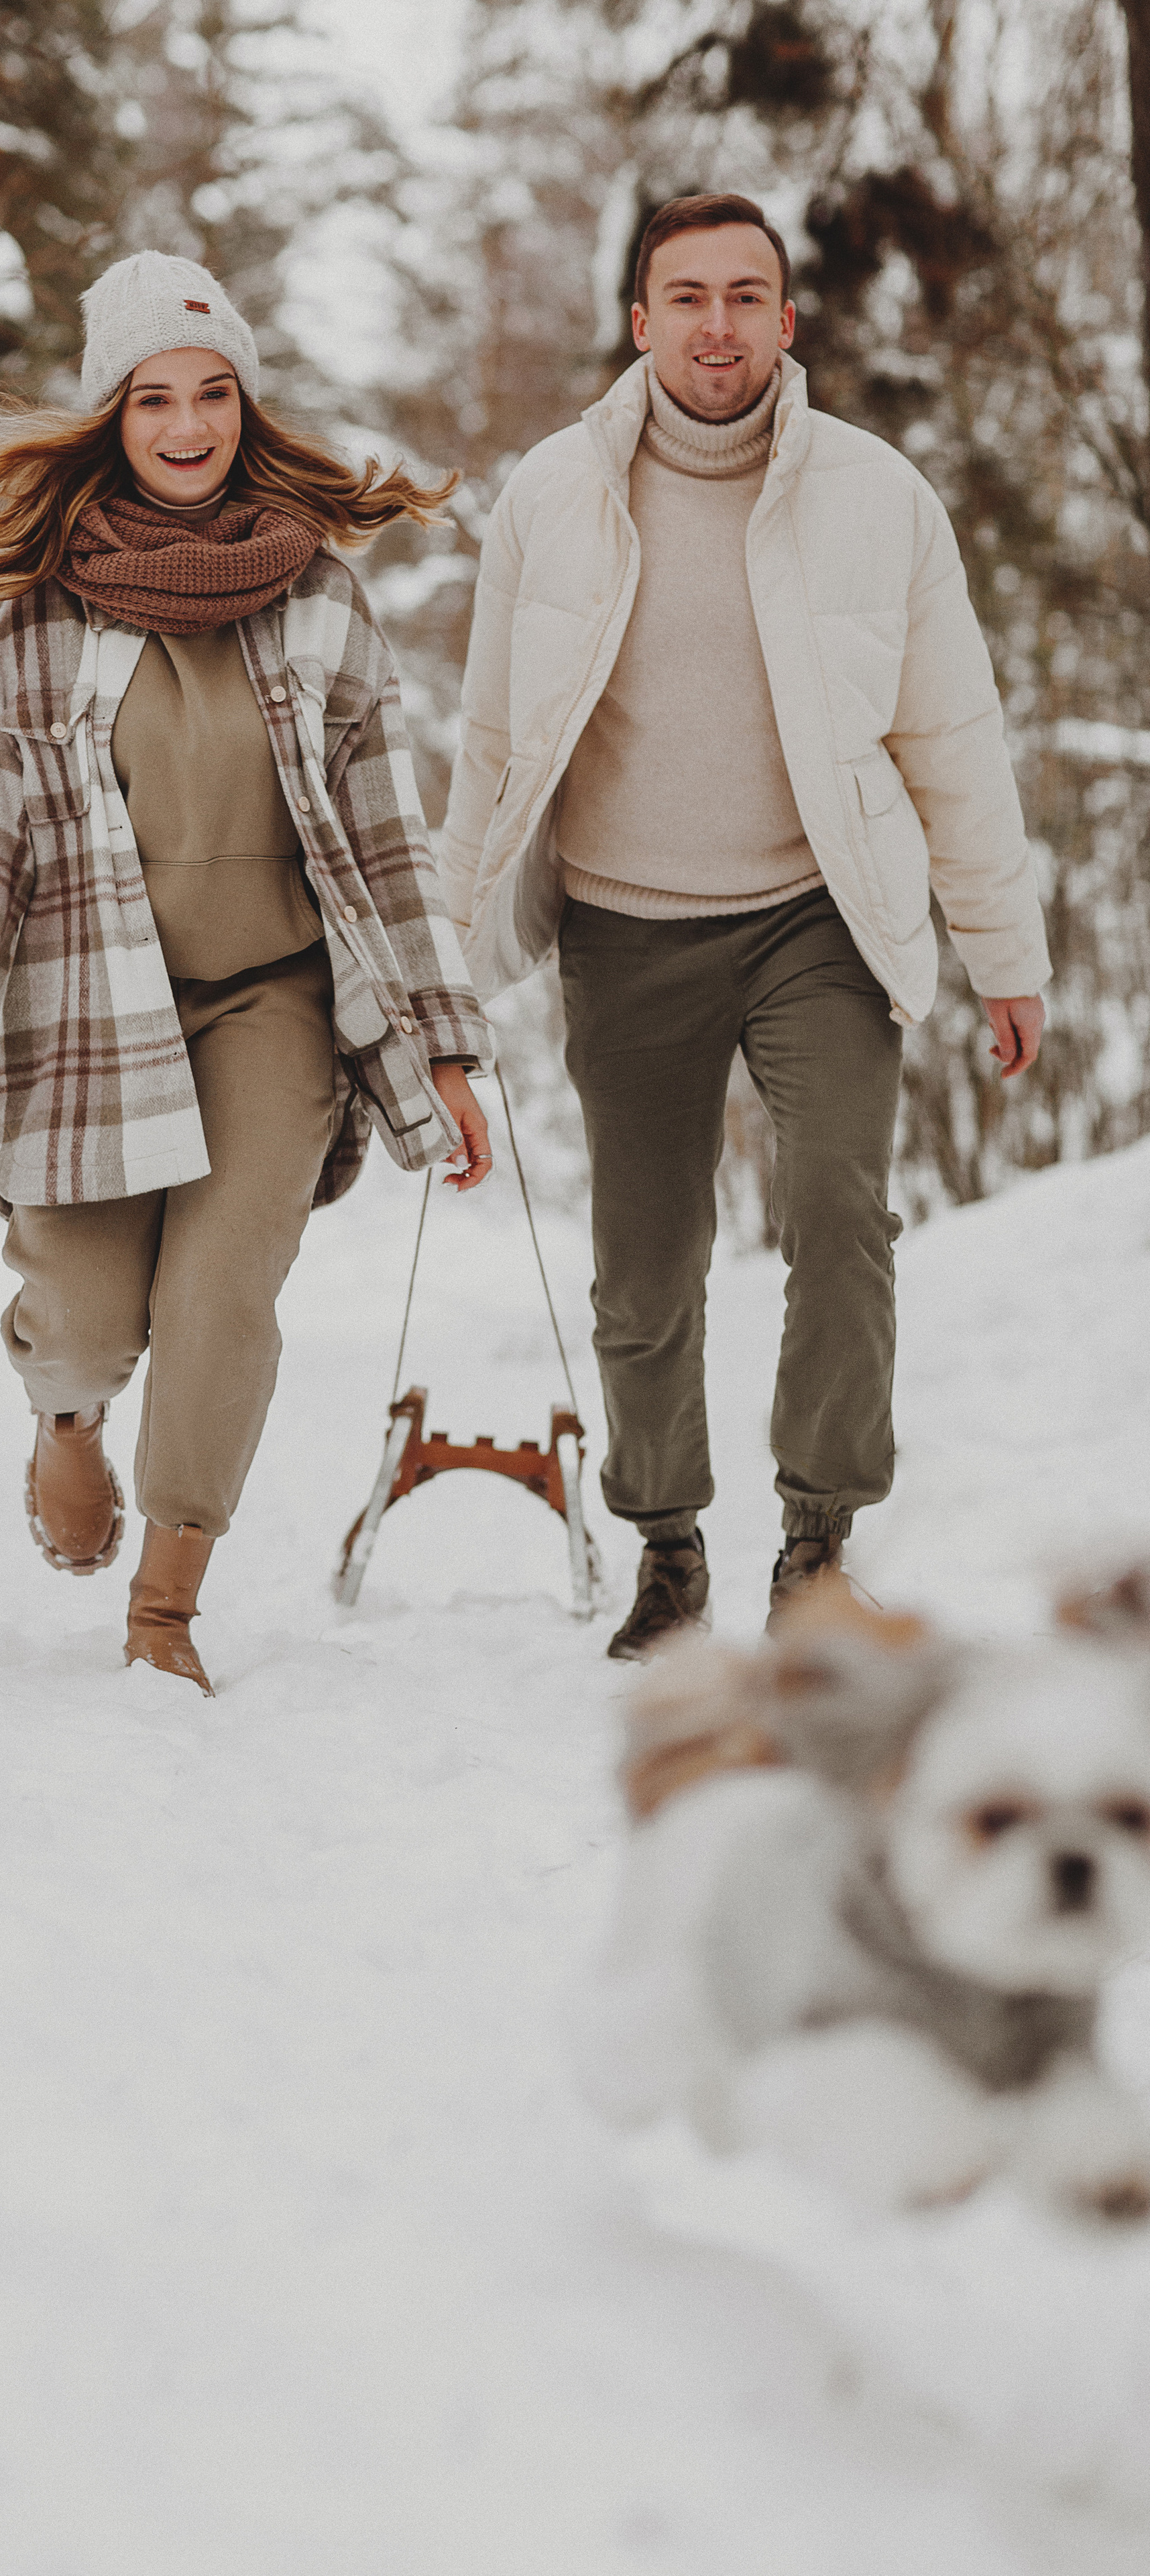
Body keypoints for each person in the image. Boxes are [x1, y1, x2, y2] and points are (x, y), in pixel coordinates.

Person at [0, 252, 493, 1695]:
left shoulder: (320, 600)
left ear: (245, 406)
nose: (189, 422)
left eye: (214, 393)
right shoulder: (38, 624)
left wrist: (442, 1051)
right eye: (156, 398)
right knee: (86, 1316)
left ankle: (164, 1613)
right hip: (90, 1003)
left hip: (270, 1004)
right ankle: (66, 1422)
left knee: (223, 1296)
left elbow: (390, 845)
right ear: (113, 415)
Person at [440, 191, 1050, 1660]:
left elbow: (950, 738)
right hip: (623, 926)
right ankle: (664, 1547)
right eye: (684, 297)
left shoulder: (874, 496)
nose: (715, 325)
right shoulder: (550, 496)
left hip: (814, 918)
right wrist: (438, 994)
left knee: (840, 1210)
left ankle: (819, 1543)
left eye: (743, 296)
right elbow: (490, 743)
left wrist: (1001, 951)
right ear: (638, 322)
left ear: (786, 320)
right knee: (643, 1265)